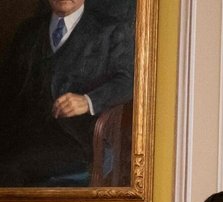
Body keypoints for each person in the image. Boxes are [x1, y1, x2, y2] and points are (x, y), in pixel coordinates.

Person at [0, 0, 134, 186]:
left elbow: (129, 81)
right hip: (23, 134)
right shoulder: (27, 31)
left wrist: (88, 101)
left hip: (76, 139)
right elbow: (7, 90)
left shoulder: (110, 31)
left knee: (10, 167)